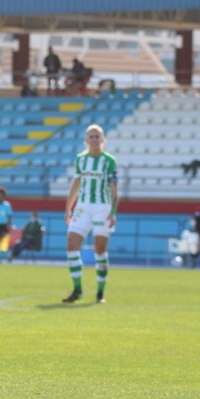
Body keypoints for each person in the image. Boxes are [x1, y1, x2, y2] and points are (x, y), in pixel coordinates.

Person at [62, 124, 118, 304]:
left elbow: (114, 190)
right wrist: (69, 206)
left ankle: (100, 292)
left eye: (97, 136)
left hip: (102, 207)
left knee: (99, 249)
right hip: (83, 206)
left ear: (103, 140)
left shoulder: (109, 161)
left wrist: (113, 212)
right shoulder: (81, 160)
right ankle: (77, 289)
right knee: (71, 244)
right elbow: (76, 183)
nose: (94, 140)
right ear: (86, 140)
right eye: (91, 137)